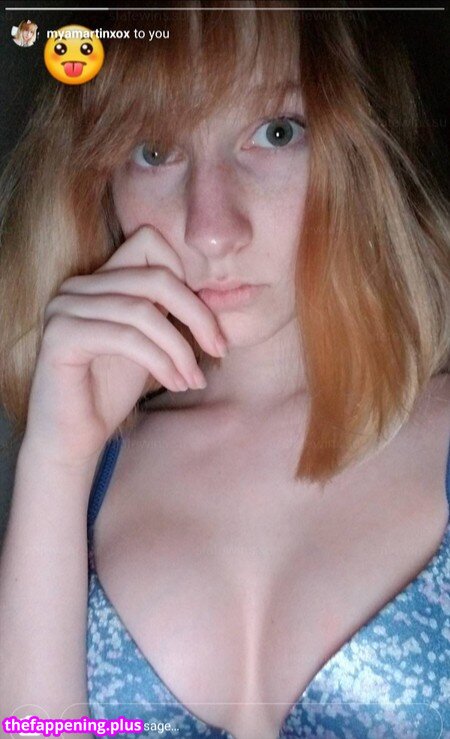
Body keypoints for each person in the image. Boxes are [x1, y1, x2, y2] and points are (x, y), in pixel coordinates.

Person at [0, 3, 449, 738]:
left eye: (275, 133)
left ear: (360, 144)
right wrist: (55, 461)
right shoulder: (82, 473)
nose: (211, 229)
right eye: (154, 150)